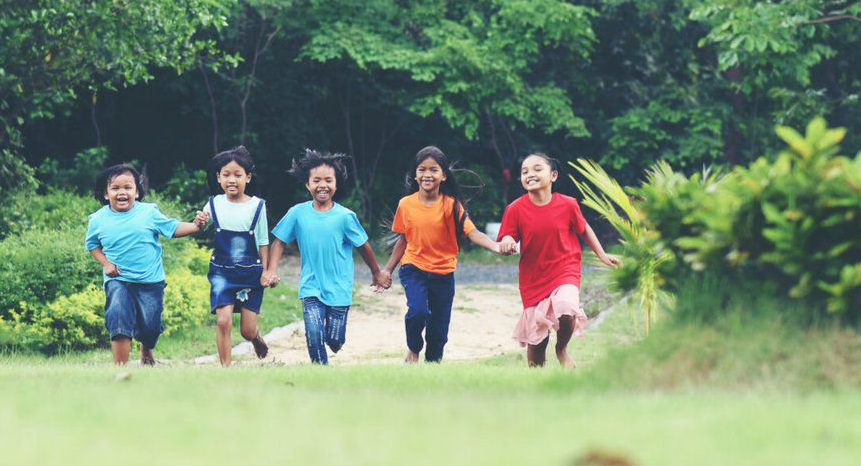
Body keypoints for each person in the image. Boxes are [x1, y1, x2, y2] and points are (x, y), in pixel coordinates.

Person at [264, 149, 390, 364]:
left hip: (339, 288)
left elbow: (364, 246)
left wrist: (376, 272)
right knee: (314, 332)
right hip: (311, 285)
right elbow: (280, 241)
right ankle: (320, 370)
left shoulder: (345, 217)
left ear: (336, 184)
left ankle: (334, 342)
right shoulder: (297, 213)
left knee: (335, 339)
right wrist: (271, 270)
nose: (322, 185)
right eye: (316, 180)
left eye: (328, 180)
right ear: (307, 184)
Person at [496, 153, 621, 369]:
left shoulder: (568, 204)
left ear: (553, 176)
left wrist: (602, 254)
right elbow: (507, 236)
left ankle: (561, 348)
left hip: (565, 269)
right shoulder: (515, 209)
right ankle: (537, 378)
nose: (530, 174)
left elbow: (584, 229)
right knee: (537, 341)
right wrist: (507, 241)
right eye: (524, 171)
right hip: (533, 278)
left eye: (537, 169)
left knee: (566, 307)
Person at [382, 145, 502, 363]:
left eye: (434, 170)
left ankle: (432, 367)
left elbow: (472, 232)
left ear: (444, 175)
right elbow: (403, 238)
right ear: (415, 174)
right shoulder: (405, 205)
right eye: (422, 169)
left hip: (444, 273)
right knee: (417, 311)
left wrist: (495, 246)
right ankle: (414, 348)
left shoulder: (451, 206)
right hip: (414, 268)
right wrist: (388, 270)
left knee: (438, 331)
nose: (427, 174)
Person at [84, 162, 205, 366]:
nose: (122, 192)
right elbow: (92, 245)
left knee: (150, 326)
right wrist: (105, 263)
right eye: (115, 188)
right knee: (118, 316)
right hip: (118, 279)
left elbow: (173, 228)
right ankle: (120, 369)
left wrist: (196, 226)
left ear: (137, 192)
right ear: (106, 194)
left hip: (150, 281)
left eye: (127, 187)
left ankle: (146, 349)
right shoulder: (98, 219)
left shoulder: (149, 213)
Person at [198, 145, 271, 367]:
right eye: (226, 175)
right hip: (221, 271)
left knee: (247, 330)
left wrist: (266, 271)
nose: (232, 179)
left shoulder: (257, 206)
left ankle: (256, 337)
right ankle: (226, 369)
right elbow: (200, 225)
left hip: (250, 272)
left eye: (238, 175)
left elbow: (263, 241)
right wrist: (199, 221)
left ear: (247, 178)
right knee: (223, 321)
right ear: (218, 178)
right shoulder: (213, 204)